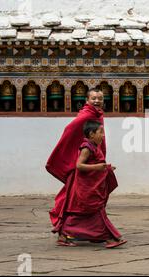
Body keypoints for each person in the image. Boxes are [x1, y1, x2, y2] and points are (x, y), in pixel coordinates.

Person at [46, 88, 126, 247]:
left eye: (100, 98)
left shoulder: (97, 115)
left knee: (79, 206)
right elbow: (70, 131)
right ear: (87, 100)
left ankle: (68, 233)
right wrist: (88, 158)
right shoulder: (87, 116)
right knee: (87, 207)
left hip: (92, 169)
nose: (97, 101)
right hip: (85, 170)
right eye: (93, 98)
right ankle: (108, 236)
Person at [56, 120, 126, 248]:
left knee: (84, 213)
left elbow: (95, 164)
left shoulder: (94, 147)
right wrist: (98, 167)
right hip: (86, 187)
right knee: (96, 212)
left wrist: (106, 168)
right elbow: (79, 165)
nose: (103, 136)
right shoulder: (87, 148)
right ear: (91, 134)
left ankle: (63, 235)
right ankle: (109, 238)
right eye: (101, 132)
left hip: (91, 186)